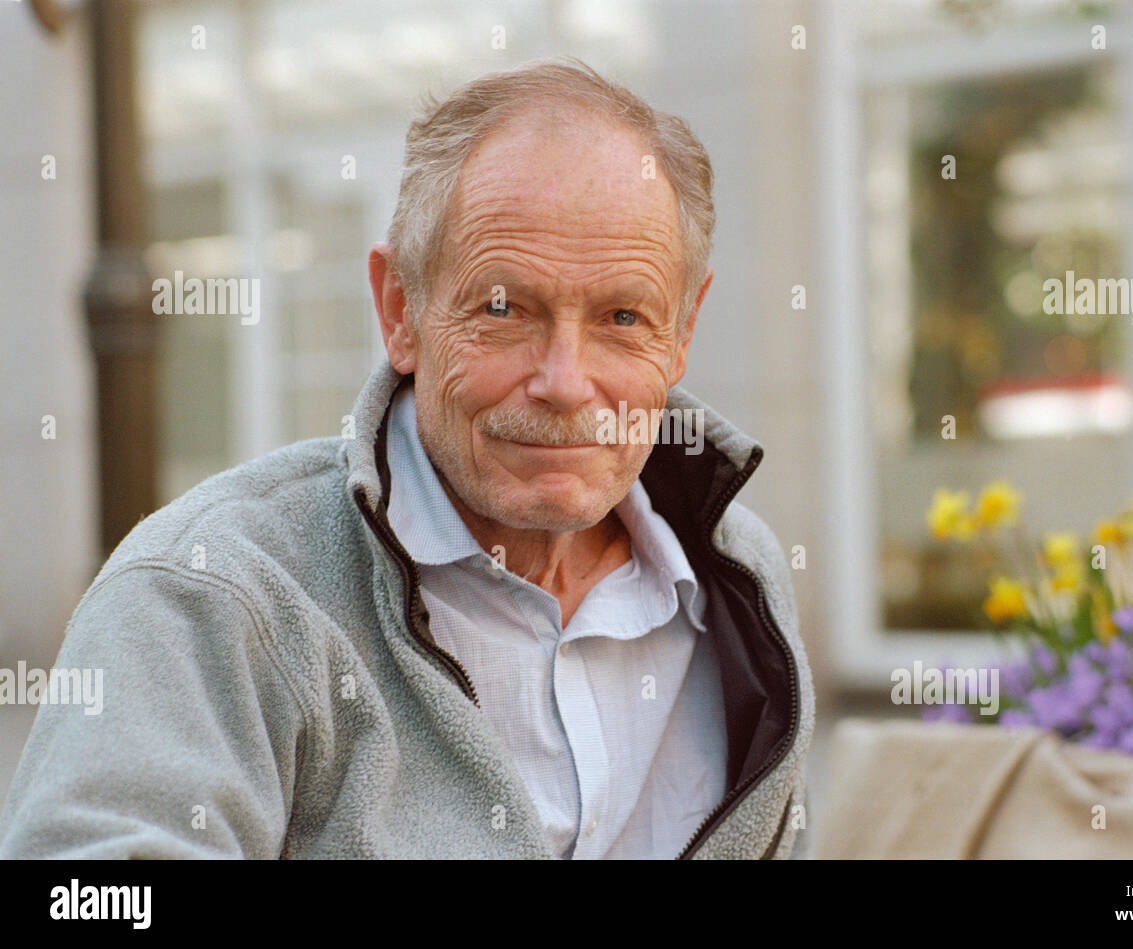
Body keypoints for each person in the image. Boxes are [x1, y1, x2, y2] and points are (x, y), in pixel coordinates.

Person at [0, 57, 814, 859]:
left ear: (682, 331)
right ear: (401, 309)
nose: (565, 383)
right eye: (503, 307)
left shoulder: (740, 580)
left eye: (624, 316)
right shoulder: (214, 591)